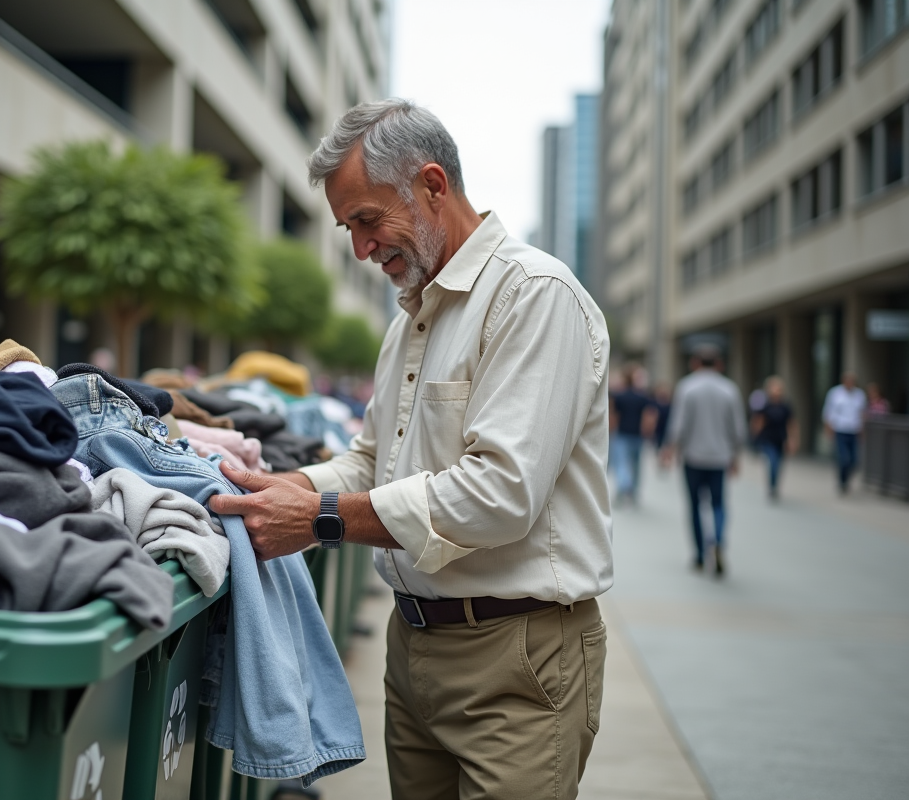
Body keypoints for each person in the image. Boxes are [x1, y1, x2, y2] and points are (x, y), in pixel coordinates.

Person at [208, 99, 612, 799]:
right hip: (414, 648)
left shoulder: (535, 296)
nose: (362, 249)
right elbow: (371, 460)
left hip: (518, 659)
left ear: (432, 184)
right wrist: (284, 485)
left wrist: (323, 519)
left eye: (368, 221)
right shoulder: (412, 315)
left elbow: (500, 494)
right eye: (349, 230)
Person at [663, 346, 747, 576]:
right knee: (718, 504)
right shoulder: (730, 389)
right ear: (718, 364)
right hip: (720, 457)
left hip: (693, 457)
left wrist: (670, 448)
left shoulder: (687, 387)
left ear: (696, 363)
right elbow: (738, 429)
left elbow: (678, 424)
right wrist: (735, 454)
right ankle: (717, 539)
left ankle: (700, 554)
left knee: (695, 506)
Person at [610, 363, 655, 504]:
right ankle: (632, 491)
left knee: (621, 462)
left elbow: (614, 416)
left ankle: (624, 486)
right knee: (636, 465)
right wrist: (648, 431)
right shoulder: (643, 397)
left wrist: (611, 431)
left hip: (622, 434)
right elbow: (650, 416)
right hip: (637, 435)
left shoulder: (619, 396)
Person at [751, 376, 798, 500]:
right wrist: (755, 438)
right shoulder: (765, 405)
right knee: (773, 462)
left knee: (778, 465)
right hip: (768, 439)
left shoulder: (785, 406)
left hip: (780, 439)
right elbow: (758, 422)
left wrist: (792, 439)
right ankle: (771, 487)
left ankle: (774, 485)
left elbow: (791, 423)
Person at [822, 372, 866, 494]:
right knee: (843, 458)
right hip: (840, 429)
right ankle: (842, 481)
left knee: (854, 460)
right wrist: (828, 429)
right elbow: (828, 412)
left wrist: (862, 430)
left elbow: (862, 413)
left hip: (854, 430)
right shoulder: (835, 393)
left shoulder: (859, 395)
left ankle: (846, 479)